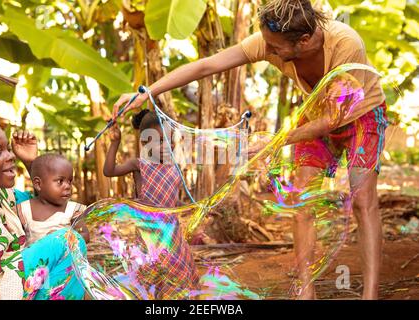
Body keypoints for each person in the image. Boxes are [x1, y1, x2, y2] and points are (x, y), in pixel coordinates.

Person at [112, 0, 387, 299]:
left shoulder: (347, 44)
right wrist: (147, 92)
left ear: (304, 40)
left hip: (361, 115)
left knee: (363, 201)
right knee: (301, 200)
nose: (267, 51)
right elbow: (207, 65)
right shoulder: (270, 40)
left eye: (275, 47)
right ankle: (305, 292)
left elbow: (333, 119)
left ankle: (370, 295)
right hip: (315, 113)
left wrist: (277, 139)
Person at [0, 119, 87, 299]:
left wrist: (31, 162)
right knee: (67, 239)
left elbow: (44, 203)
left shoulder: (1, 193)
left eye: (8, 149)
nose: (10, 156)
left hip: (13, 276)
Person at [103, 110, 199, 299]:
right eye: (160, 140)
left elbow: (172, 200)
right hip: (149, 236)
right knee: (151, 278)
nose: (167, 146)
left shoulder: (175, 169)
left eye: (170, 141)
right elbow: (109, 170)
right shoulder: (139, 165)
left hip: (172, 234)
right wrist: (115, 142)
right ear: (146, 142)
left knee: (178, 277)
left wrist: (191, 207)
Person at [17, 154, 89, 246]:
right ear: (38, 184)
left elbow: (85, 235)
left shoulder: (73, 210)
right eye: (60, 181)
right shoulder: (24, 210)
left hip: (65, 259)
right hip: (36, 259)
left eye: (69, 181)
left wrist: (65, 238)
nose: (67, 186)